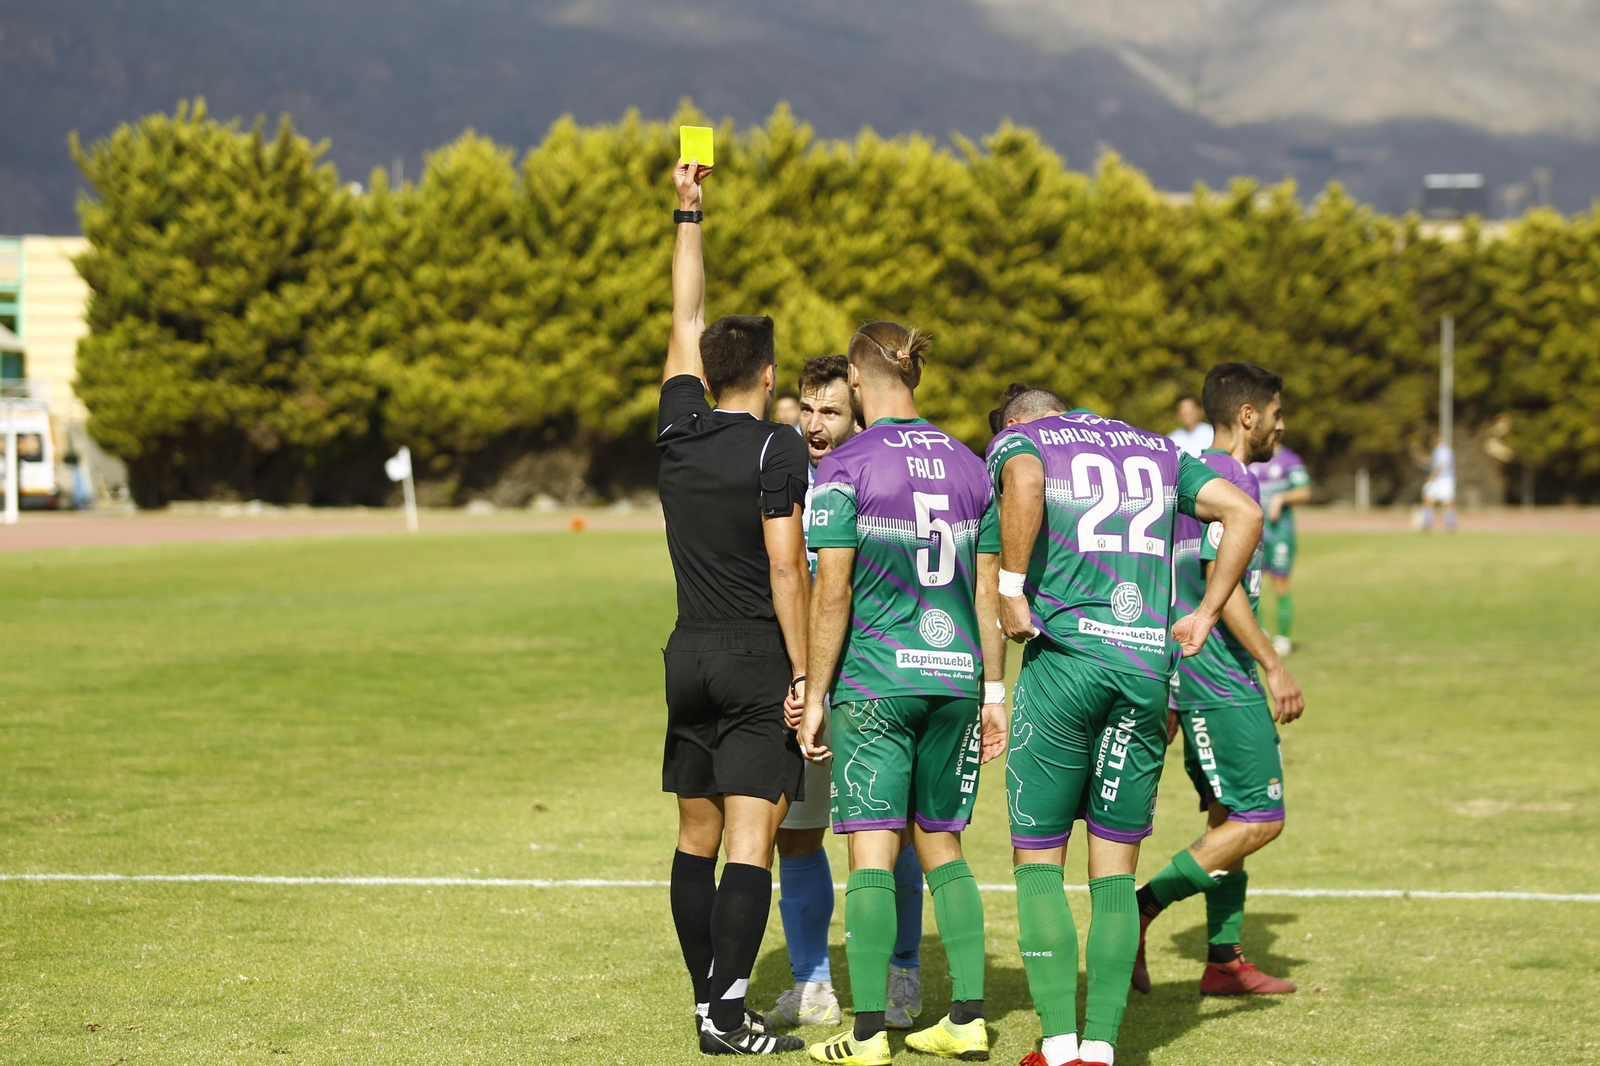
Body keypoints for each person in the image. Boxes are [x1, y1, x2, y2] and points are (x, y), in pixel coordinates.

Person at [989, 386, 1263, 1066]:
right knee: (1113, 873)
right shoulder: (1159, 447)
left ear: (1020, 420)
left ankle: (1056, 1047)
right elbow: (1243, 511)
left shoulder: (1025, 441)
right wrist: (1205, 613)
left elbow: (1022, 478)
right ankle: (1102, 1049)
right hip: (1142, 672)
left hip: (1065, 664)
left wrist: (1011, 587)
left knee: (1039, 861)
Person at [798, 322, 1008, 1066]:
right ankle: (969, 1020)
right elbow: (986, 591)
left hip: (878, 683)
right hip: (954, 681)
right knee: (944, 847)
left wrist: (815, 692)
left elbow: (833, 591)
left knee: (871, 858)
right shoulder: (971, 465)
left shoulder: (845, 465)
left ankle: (865, 1037)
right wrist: (993, 691)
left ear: (858, 377)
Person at [656, 158, 811, 1056]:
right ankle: (724, 1016)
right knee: (751, 835)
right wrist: (803, 674)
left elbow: (684, 317)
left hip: (687, 654)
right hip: (755, 654)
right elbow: (787, 571)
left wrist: (689, 213)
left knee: (695, 832)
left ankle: (708, 1000)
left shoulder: (678, 427)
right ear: (768, 372)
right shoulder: (777, 448)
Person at [1133, 362, 1306, 1000]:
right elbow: (1220, 589)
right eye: (1277, 415)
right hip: (1219, 676)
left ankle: (1224, 960)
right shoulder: (1230, 479)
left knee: (1228, 815)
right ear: (1249, 416)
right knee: (1261, 817)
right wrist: (1272, 662)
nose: (1281, 428)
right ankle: (1140, 910)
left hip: (1191, 674)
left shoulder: (1187, 480)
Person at [765, 357, 928, 1033]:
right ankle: (813, 986)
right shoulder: (783, 478)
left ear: (857, 413)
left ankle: (902, 974)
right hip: (802, 693)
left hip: (871, 691)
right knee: (798, 839)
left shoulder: (874, 477)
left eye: (829, 410)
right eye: (806, 408)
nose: (814, 423)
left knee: (897, 838)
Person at [1250, 438, 1311, 656]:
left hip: (1280, 532)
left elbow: (1305, 491)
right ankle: (1260, 635)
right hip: (1253, 531)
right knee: (1252, 583)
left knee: (1280, 583)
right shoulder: (1250, 457)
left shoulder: (1289, 460)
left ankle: (1283, 639)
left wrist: (1281, 497)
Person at [1421, 432, 1457, 532]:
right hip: (1443, 479)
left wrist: (1433, 476)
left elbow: (1441, 465)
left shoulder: (1442, 450)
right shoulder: (1439, 450)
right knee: (1429, 498)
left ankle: (1450, 523)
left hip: (1443, 479)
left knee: (1446, 501)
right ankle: (1429, 522)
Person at [1168, 393, 1214, 457]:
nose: (1186, 416)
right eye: (1184, 414)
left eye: (1190, 413)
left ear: (1200, 411)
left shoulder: (1212, 434)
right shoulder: (1172, 440)